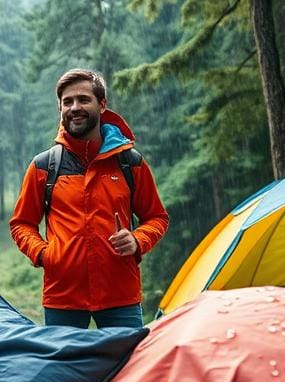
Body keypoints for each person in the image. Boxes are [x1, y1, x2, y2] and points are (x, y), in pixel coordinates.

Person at [10, 68, 169, 328]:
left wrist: (138, 240)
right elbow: (21, 224)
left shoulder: (130, 162)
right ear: (59, 109)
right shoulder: (44, 166)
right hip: (62, 296)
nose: (75, 107)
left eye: (84, 99)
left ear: (102, 104)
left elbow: (157, 217)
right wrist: (44, 254)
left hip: (121, 294)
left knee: (126, 368)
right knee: (64, 369)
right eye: (67, 102)